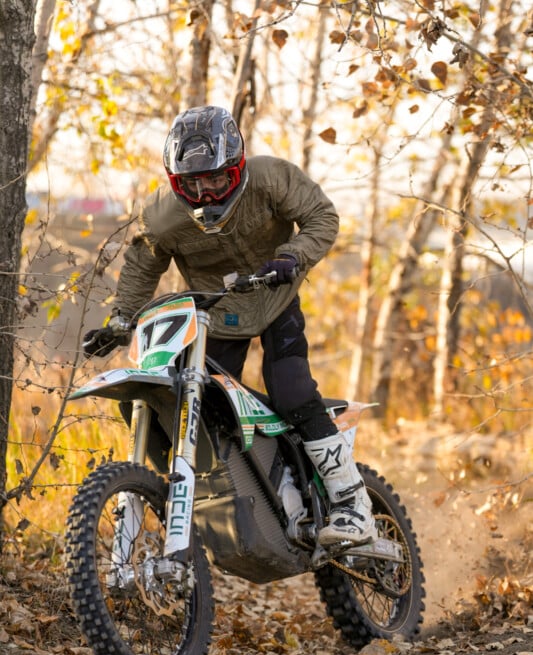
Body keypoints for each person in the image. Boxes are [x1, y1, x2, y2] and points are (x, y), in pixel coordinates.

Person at [89, 105, 377, 550]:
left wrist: (292, 254)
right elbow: (142, 264)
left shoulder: (270, 177)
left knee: (292, 391)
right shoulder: (164, 216)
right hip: (218, 313)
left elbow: (323, 217)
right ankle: (209, 494)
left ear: (237, 168)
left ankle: (352, 507)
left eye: (216, 179)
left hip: (276, 297)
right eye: (192, 183)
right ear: (175, 182)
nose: (205, 193)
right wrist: (120, 320)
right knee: (191, 399)